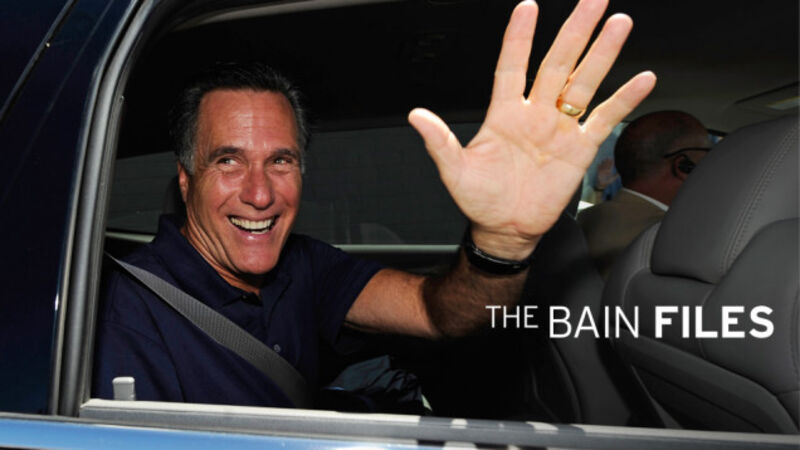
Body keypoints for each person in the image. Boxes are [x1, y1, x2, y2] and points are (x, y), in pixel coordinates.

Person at [93, 0, 656, 406]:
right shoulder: (129, 316)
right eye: (228, 161)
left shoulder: (304, 266)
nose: (260, 194)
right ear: (186, 179)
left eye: (281, 161)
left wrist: (503, 243)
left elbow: (441, 314)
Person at [578, 110, 711, 278]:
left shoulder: (584, 219)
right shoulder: (680, 238)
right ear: (683, 166)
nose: (713, 165)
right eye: (708, 155)